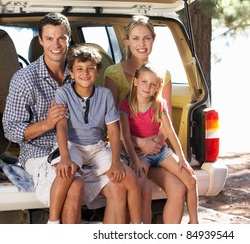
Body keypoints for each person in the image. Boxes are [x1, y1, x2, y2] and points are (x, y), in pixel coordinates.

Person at [2, 13, 126, 224]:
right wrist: (47, 124)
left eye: (61, 38)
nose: (56, 44)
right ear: (40, 41)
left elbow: (103, 118)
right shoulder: (24, 79)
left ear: (69, 38)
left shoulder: (82, 73)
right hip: (40, 152)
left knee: (118, 186)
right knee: (74, 183)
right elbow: (11, 130)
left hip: (85, 149)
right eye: (49, 38)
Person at [104, 15, 187, 223]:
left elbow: (164, 118)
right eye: (136, 38)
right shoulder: (113, 73)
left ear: (154, 39)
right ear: (127, 41)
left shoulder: (163, 74)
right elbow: (111, 122)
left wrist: (155, 144)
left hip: (155, 151)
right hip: (126, 149)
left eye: (147, 38)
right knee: (144, 191)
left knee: (178, 189)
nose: (142, 44)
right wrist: (139, 143)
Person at [50, 44, 142, 224]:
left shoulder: (105, 94)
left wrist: (116, 162)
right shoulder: (63, 93)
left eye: (90, 68)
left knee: (130, 178)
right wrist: (65, 157)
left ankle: (137, 225)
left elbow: (114, 130)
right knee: (66, 172)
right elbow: (61, 127)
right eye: (79, 69)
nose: (85, 73)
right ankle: (52, 222)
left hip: (97, 147)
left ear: (98, 71)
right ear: (71, 73)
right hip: (72, 144)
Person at [119, 62, 199, 224]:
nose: (148, 87)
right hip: (140, 155)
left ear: (157, 87)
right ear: (135, 81)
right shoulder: (125, 105)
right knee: (139, 187)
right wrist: (134, 160)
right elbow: (125, 136)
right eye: (144, 82)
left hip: (161, 152)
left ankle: (194, 222)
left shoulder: (159, 104)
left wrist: (182, 159)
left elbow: (170, 131)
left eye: (153, 84)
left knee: (191, 179)